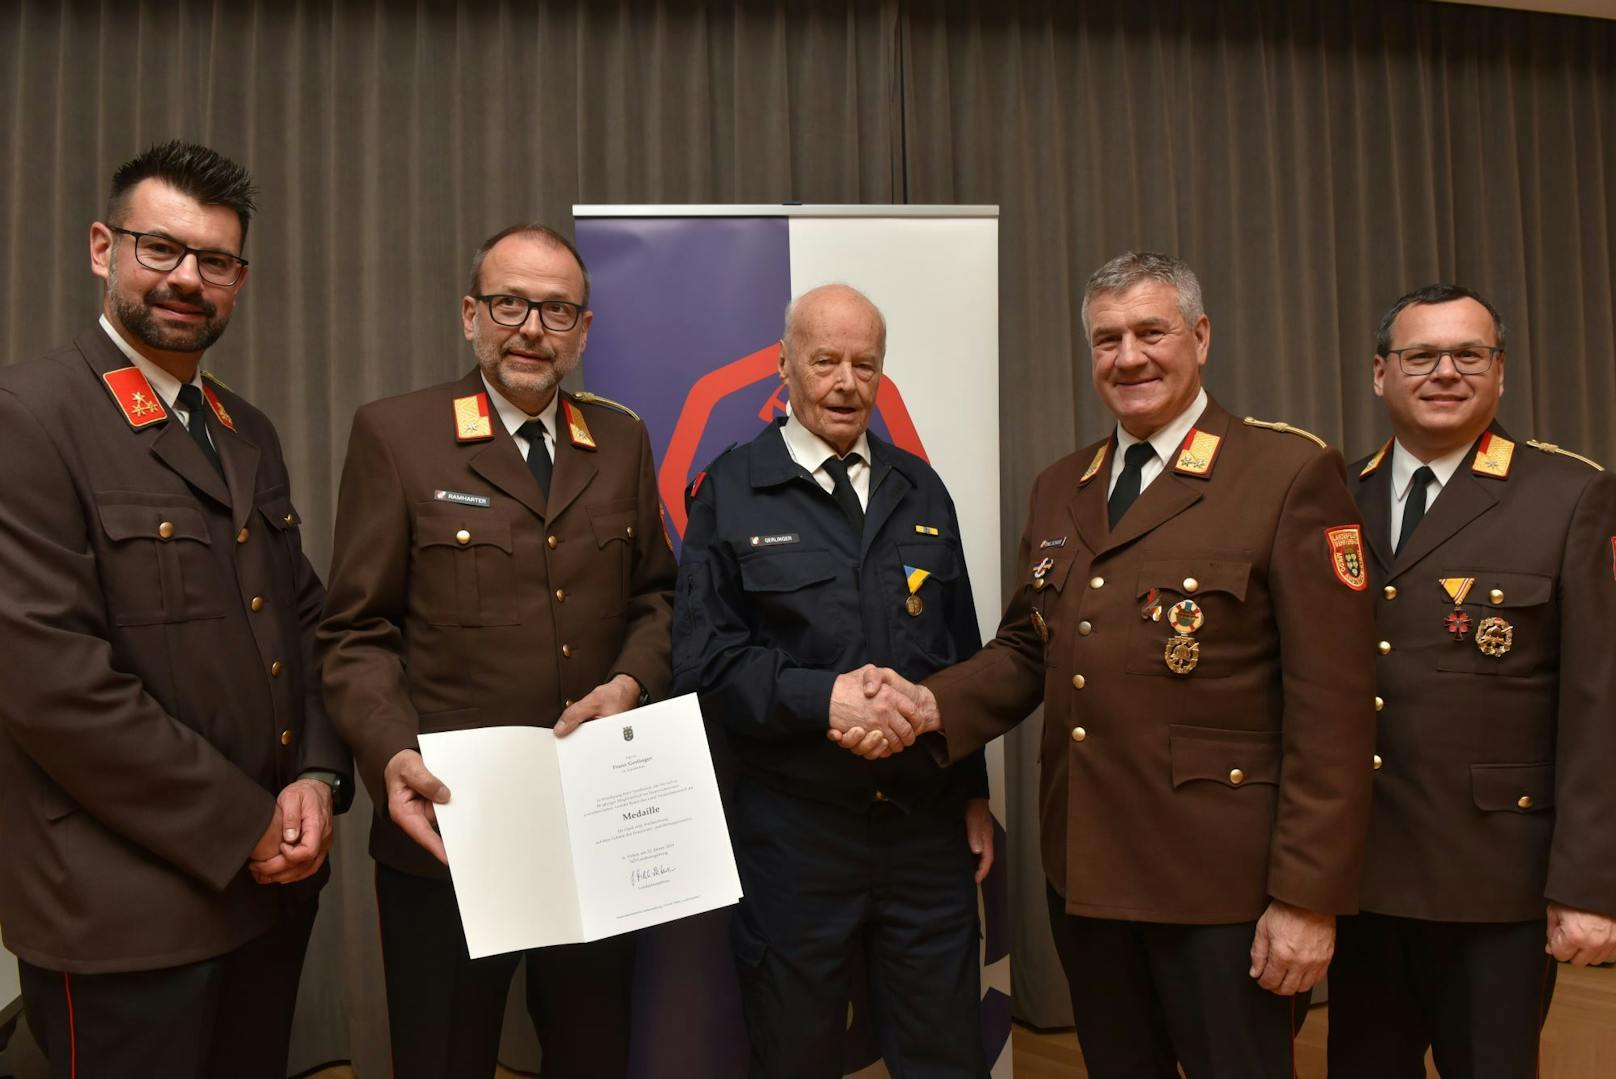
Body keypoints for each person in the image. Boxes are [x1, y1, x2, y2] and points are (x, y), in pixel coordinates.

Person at [872, 251, 1377, 1077]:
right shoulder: (1063, 485)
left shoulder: (1286, 474)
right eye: (1107, 339)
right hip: (1089, 877)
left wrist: (1307, 898)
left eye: (1152, 331)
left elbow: (1335, 705)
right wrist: (927, 705)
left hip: (1222, 890)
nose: (1129, 356)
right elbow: (1029, 649)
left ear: (1201, 337)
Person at [0, 140, 350, 1079]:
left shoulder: (244, 429)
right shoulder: (28, 417)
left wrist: (317, 773)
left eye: (216, 260)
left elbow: (304, 620)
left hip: (266, 896)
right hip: (123, 913)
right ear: (101, 248)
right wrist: (245, 824)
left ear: (240, 278)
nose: (187, 278)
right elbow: (51, 687)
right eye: (161, 249)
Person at [318, 222, 677, 1079]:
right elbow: (355, 630)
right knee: (444, 1056)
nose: (531, 328)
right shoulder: (398, 436)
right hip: (449, 829)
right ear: (471, 315)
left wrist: (630, 680)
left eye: (556, 310)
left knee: (593, 1054)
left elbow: (658, 597)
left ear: (583, 331)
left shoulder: (620, 441)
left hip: (590, 823)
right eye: (510, 303)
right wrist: (391, 753)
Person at [673, 283, 995, 1079]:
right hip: (795, 834)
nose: (847, 382)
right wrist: (826, 699)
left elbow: (961, 651)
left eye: (865, 364)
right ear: (784, 366)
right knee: (797, 1053)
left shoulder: (921, 487)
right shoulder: (731, 488)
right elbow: (705, 662)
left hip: (925, 828)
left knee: (946, 1052)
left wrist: (975, 791)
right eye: (825, 361)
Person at [1327, 284, 1616, 1076]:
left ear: (1500, 373)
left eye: (1469, 355)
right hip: (1360, 878)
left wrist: (1590, 884)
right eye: (1420, 355)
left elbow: (1600, 705)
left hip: (1497, 882)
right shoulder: (1332, 497)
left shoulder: (1569, 496)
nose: (1444, 372)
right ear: (1381, 373)